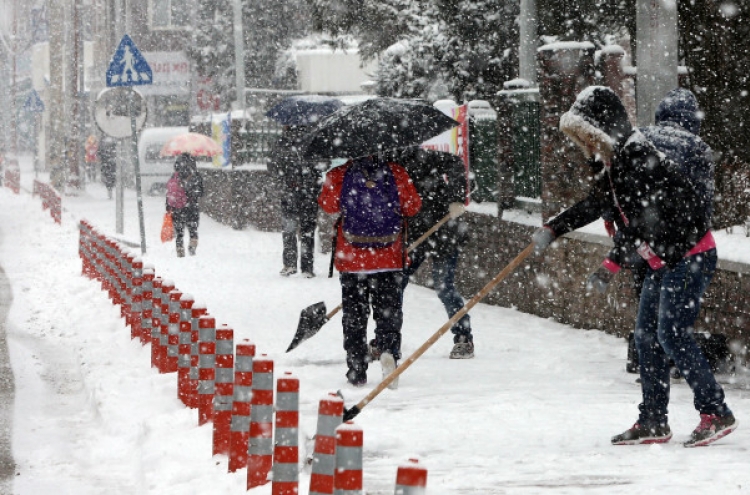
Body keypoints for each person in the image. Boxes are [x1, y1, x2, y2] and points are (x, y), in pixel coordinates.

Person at [531, 86, 736, 447]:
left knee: (671, 334)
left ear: (600, 129)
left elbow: (651, 218)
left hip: (687, 256)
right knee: (646, 337)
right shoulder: (617, 159)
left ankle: (715, 411)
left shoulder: (638, 156)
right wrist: (555, 227)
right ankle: (654, 421)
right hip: (663, 259)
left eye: (586, 135)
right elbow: (600, 205)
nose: (584, 145)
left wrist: (614, 261)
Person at [318, 155, 421, 386]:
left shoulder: (339, 174)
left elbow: (327, 205)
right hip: (390, 258)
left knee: (354, 315)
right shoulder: (396, 172)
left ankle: (356, 367)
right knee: (389, 313)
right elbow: (412, 206)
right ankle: (388, 352)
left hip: (353, 260)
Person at [392, 147, 474, 359]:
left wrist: (455, 199)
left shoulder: (424, 157)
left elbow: (456, 164)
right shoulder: (387, 166)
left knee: (444, 286)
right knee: (394, 286)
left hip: (442, 231)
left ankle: (463, 338)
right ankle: (389, 343)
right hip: (411, 236)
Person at [267, 126, 323, 277]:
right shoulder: (313, 141)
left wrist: (286, 179)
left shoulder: (281, 143)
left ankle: (290, 264)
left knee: (289, 229)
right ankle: (307, 267)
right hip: (309, 193)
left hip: (289, 193)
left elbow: (272, 166)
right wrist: (311, 178)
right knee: (307, 231)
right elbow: (323, 165)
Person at [166, 154, 204, 257]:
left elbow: (169, 193)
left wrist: (169, 208)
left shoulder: (175, 176)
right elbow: (201, 193)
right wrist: (192, 194)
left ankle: (180, 250)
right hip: (191, 207)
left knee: (179, 232)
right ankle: (192, 247)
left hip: (177, 209)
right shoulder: (196, 175)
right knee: (193, 229)